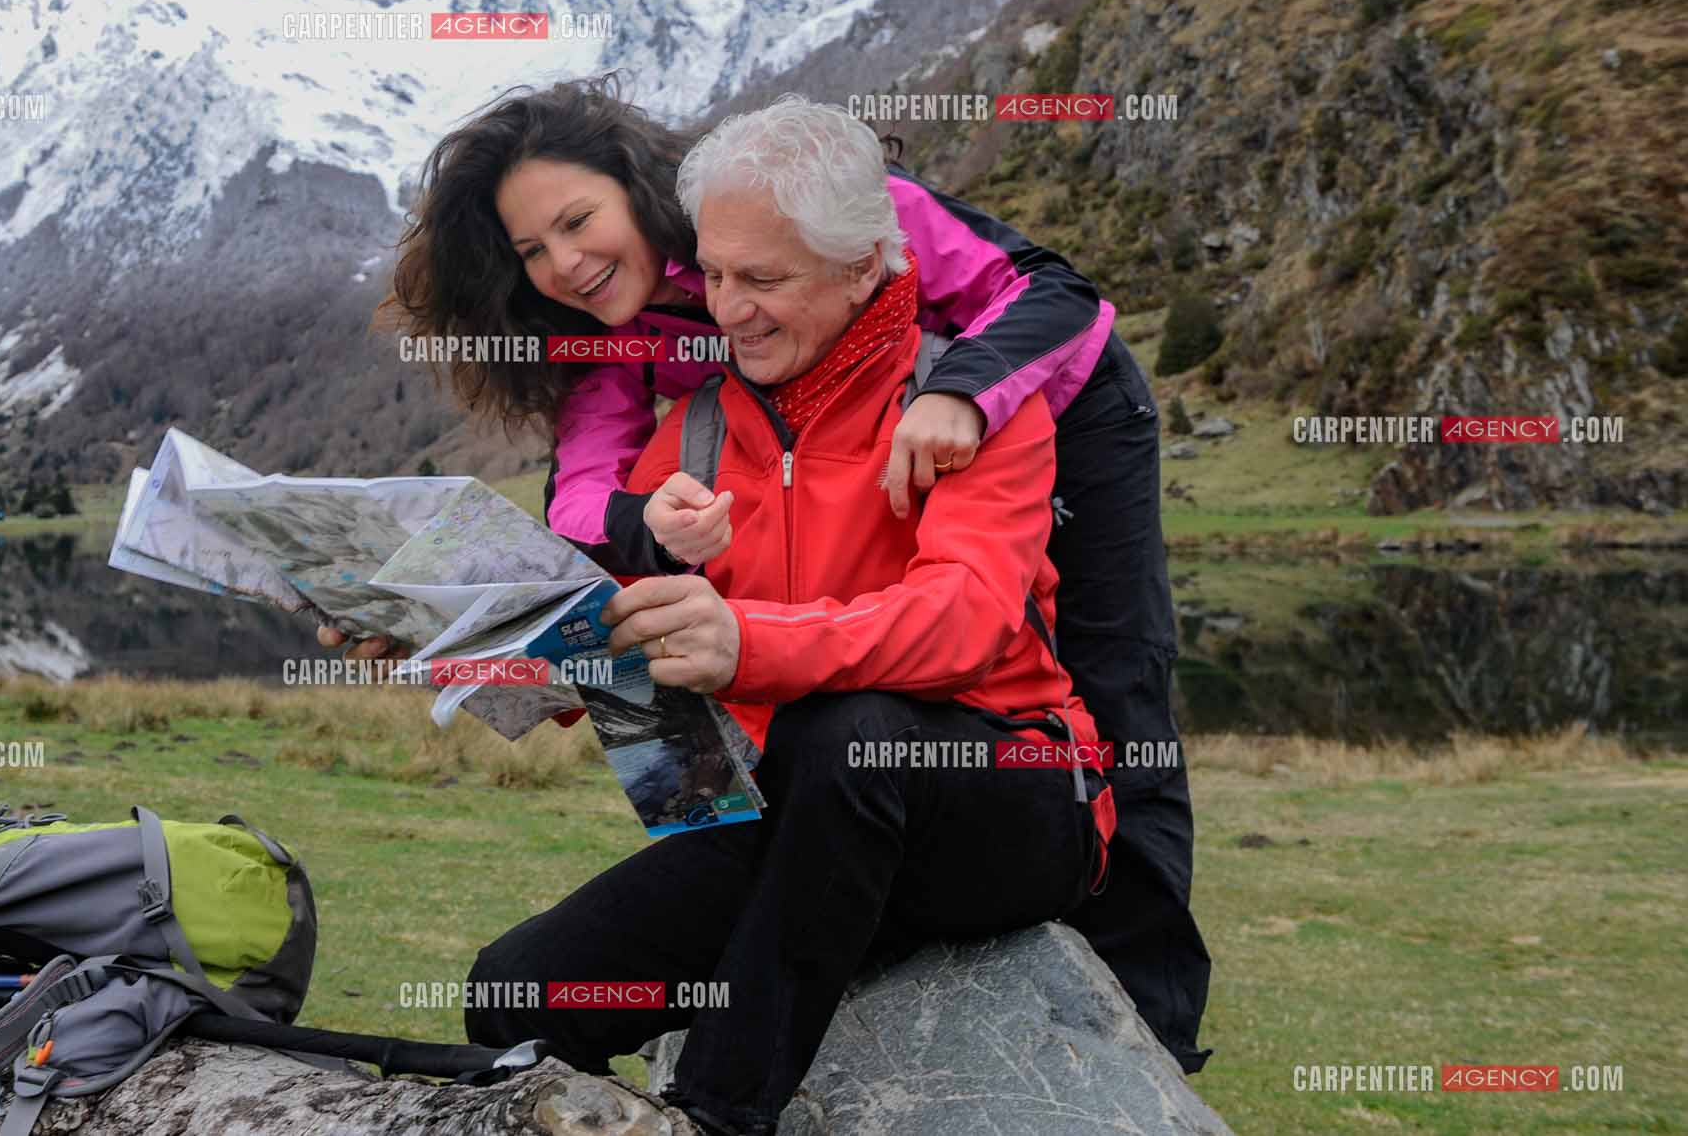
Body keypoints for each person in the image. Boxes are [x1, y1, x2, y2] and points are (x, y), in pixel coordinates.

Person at [342, 79, 1210, 1071]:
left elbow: (1051, 301)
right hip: (790, 784)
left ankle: (1147, 1024)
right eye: (531, 251)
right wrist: (459, 641)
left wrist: (966, 392)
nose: (564, 263)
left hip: (1022, 431)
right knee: (518, 988)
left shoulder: (896, 290)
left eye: (576, 222)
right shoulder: (669, 398)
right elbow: (591, 556)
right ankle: (744, 875)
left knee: (1087, 686)